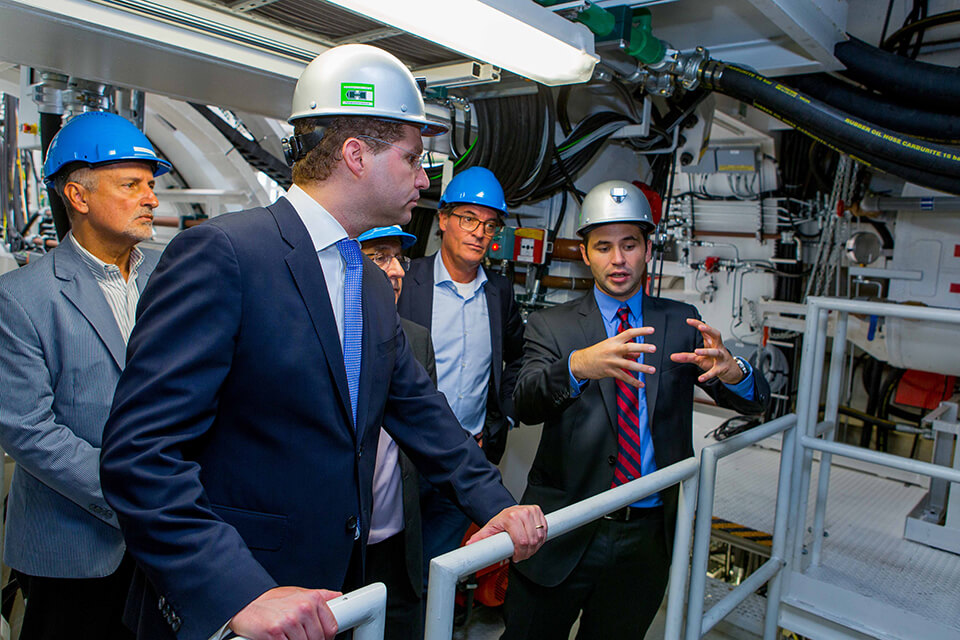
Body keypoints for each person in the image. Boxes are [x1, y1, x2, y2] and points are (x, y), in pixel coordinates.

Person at [99, 44, 547, 640]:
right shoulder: (225, 255)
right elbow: (140, 455)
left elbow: (415, 406)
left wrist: (495, 502)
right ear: (356, 156)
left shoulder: (363, 277)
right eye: (413, 158)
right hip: (245, 597)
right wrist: (238, 591)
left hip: (332, 590)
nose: (423, 177)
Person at [501, 180, 770, 640]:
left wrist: (734, 370)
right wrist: (578, 365)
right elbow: (523, 402)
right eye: (603, 247)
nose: (618, 259)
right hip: (565, 527)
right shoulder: (553, 325)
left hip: (645, 538)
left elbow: (755, 400)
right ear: (585, 254)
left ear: (647, 249)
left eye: (629, 244)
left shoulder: (678, 322)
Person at [0, 111, 170, 640]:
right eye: (131, 185)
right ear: (78, 196)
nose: (152, 198)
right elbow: (27, 427)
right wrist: (134, 490)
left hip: (169, 538)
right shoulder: (23, 298)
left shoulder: (174, 276)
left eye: (151, 184)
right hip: (73, 549)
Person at [396, 166, 524, 588]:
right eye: (468, 219)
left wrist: (499, 418)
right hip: (405, 459)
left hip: (467, 459)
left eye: (489, 224)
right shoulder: (405, 281)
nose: (479, 232)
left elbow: (518, 356)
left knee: (439, 574)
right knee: (395, 570)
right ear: (444, 219)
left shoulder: (499, 292)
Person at [357, 225, 433, 640]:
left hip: (399, 541)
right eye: (379, 258)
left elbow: (426, 432)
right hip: (343, 542)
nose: (397, 271)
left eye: (398, 258)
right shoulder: (323, 336)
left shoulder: (417, 340)